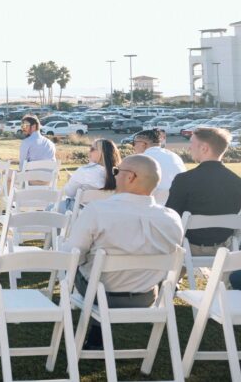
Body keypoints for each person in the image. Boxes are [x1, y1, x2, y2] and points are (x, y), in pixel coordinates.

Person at [64, 154, 184, 348]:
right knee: (99, 271)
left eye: (117, 172)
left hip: (98, 294)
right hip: (146, 296)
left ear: (131, 177)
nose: (114, 175)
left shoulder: (97, 211)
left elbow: (71, 256)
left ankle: (81, 330)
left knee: (81, 268)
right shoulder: (172, 218)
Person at [167, 127, 241, 255]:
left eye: (191, 143)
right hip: (226, 249)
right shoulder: (237, 182)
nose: (189, 148)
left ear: (204, 148)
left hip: (189, 249)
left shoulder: (184, 180)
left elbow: (171, 216)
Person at [60, 138, 119, 210]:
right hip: (107, 215)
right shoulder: (121, 174)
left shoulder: (85, 171)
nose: (89, 151)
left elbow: (69, 192)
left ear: (102, 153)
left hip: (81, 214)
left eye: (92, 149)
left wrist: (70, 180)